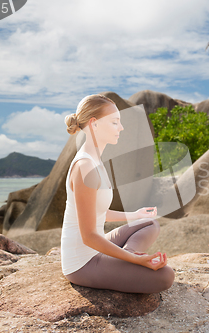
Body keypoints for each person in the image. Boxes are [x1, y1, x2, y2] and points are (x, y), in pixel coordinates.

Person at [61, 94, 174, 293]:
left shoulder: (95, 160)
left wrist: (135, 215)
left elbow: (97, 211)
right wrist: (136, 259)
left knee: (149, 223)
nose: (121, 128)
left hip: (96, 246)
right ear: (94, 124)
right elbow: (88, 237)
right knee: (166, 277)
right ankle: (126, 258)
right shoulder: (85, 167)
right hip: (82, 262)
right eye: (115, 122)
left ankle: (123, 256)